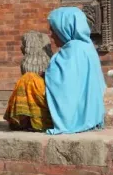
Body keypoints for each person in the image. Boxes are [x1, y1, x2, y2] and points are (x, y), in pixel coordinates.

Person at [44, 7, 106, 135]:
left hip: (72, 115)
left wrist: (45, 74)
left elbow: (63, 86)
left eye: (53, 30)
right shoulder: (87, 47)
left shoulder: (73, 49)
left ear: (65, 29)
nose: (51, 35)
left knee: (28, 82)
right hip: (90, 114)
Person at [3, 31, 53, 131]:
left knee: (27, 80)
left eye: (23, 44)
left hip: (43, 104)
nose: (21, 47)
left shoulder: (29, 75)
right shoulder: (53, 60)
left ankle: (26, 120)